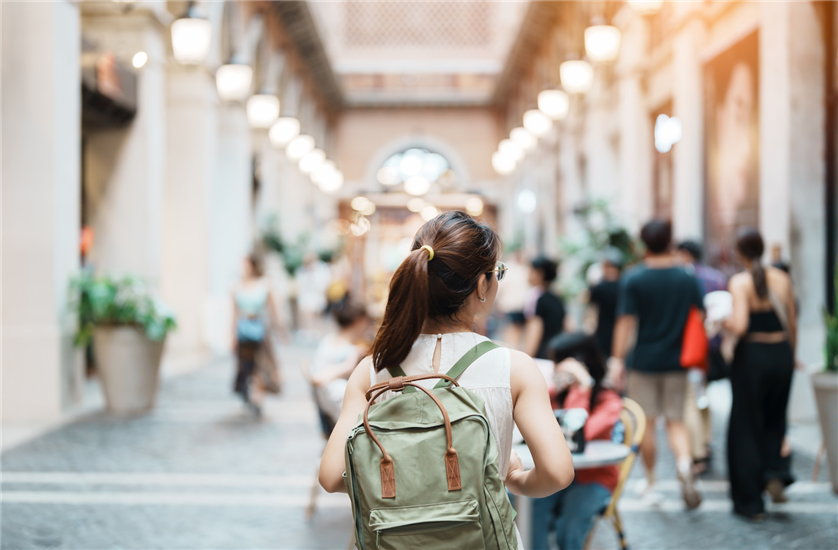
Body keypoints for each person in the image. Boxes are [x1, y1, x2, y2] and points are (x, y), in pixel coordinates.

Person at [319, 211, 575, 548]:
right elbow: (557, 472)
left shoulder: (372, 371)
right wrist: (513, 478)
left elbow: (331, 476)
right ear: (482, 285)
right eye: (497, 272)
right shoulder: (514, 368)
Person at [610, 219, 704, 509]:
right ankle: (686, 465)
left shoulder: (635, 278)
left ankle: (651, 481)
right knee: (676, 420)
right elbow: (699, 317)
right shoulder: (687, 277)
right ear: (670, 240)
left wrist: (616, 360)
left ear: (643, 243)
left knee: (646, 423)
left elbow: (625, 323)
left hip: (644, 362)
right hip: (678, 361)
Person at [724, 228, 796, 520]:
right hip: (781, 355)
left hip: (752, 358)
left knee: (745, 426)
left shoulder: (739, 282)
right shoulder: (782, 278)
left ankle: (750, 502)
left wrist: (721, 321)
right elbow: (792, 322)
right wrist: (792, 357)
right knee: (775, 421)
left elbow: (740, 325)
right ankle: (774, 473)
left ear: (739, 252)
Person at [532, 333, 622, 550]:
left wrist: (582, 387)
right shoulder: (554, 394)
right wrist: (556, 387)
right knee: (525, 507)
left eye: (557, 363)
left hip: (593, 478)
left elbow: (576, 433)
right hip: (555, 474)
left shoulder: (608, 400)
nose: (553, 370)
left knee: (569, 529)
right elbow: (533, 422)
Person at [677, 239, 728, 473]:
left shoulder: (684, 278)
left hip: (691, 348)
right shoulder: (717, 277)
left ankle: (698, 452)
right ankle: (705, 444)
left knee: (691, 400)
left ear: (685, 254)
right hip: (714, 348)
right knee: (702, 396)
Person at [231, 254, 283, 416]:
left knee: (261, 366)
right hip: (243, 331)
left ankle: (257, 397)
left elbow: (274, 311)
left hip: (261, 332)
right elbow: (233, 313)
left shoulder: (265, 284)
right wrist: (231, 335)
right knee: (245, 366)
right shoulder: (236, 286)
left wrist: (280, 330)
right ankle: (247, 393)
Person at [309, 302, 371, 427]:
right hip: (337, 409)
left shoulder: (329, 340)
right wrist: (348, 366)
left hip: (329, 406)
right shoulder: (350, 351)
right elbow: (317, 378)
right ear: (359, 320)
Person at [524, 256, 568, 360]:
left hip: (540, 355)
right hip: (555, 353)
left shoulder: (535, 297)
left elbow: (535, 330)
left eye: (531, 270)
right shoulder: (558, 298)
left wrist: (527, 356)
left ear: (539, 274)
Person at [587, 249, 623, 358]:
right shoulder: (625, 285)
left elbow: (592, 310)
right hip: (619, 330)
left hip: (603, 330)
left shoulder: (599, 287)